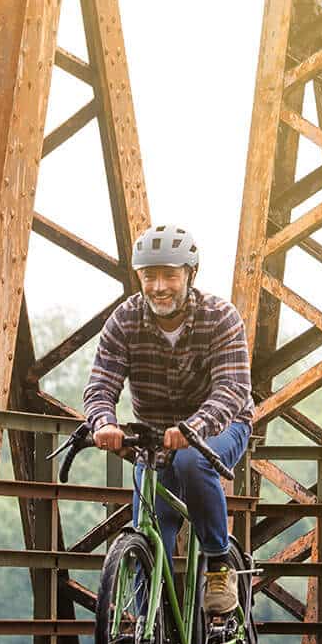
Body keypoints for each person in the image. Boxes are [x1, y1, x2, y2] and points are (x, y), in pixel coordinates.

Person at [83, 225, 253, 615]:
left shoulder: (220, 317)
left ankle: (218, 563)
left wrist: (195, 428)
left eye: (169, 275)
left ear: (189, 275)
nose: (159, 286)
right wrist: (103, 422)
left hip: (222, 425)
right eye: (149, 276)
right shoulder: (124, 321)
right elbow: (101, 383)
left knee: (192, 461)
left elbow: (232, 388)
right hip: (156, 436)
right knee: (148, 528)